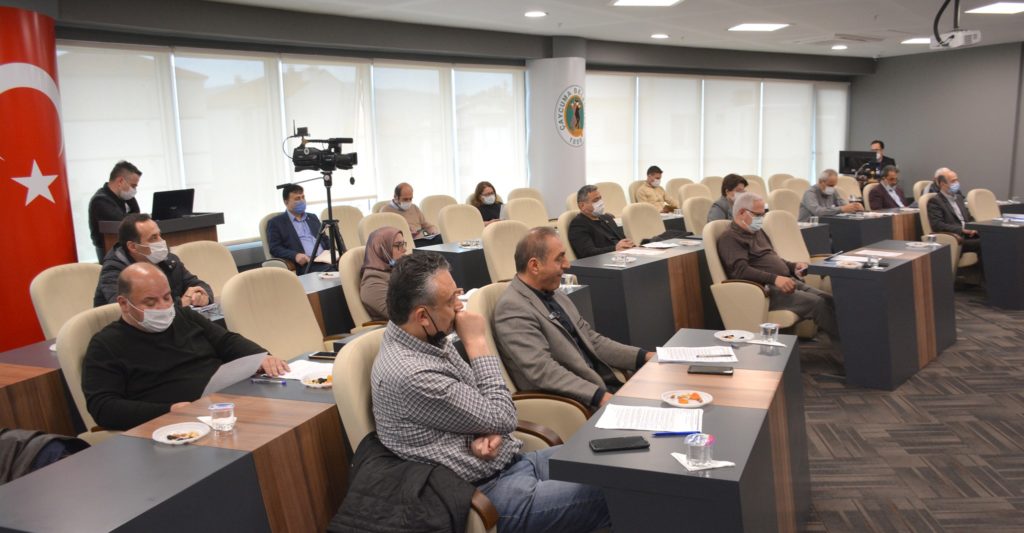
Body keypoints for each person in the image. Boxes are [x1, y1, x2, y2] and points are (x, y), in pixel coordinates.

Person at [371, 252, 611, 533]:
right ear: (422, 316)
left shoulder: (425, 337)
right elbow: (503, 416)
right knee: (621, 488)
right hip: (486, 493)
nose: (459, 307)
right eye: (451, 301)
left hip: (509, 461)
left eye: (457, 294)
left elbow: (482, 404)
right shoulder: (412, 373)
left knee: (613, 462)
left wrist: (488, 429)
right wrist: (477, 342)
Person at [83, 263, 289, 431]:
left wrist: (262, 357)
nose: (163, 307)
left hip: (222, 406)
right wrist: (168, 410)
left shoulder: (184, 317)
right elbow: (103, 407)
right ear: (124, 304)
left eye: (167, 297)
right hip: (173, 426)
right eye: (150, 302)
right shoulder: (105, 345)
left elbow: (227, 341)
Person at [494, 227, 654, 408]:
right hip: (581, 403)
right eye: (559, 258)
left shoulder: (556, 294)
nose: (567, 264)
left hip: (604, 388)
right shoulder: (512, 308)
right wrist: (601, 397)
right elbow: (543, 371)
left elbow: (592, 341)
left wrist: (644, 356)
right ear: (534, 266)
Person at [718, 193, 839, 339]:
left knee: (828, 299)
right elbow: (740, 271)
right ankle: (847, 348)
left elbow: (772, 258)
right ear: (742, 212)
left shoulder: (757, 231)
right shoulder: (730, 238)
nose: (762, 218)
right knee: (818, 303)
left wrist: (793, 266)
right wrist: (775, 279)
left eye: (763, 214)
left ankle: (849, 343)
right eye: (758, 215)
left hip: (786, 281)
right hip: (765, 291)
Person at [93, 213, 212, 308]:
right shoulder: (113, 270)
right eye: (153, 238)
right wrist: (180, 303)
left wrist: (201, 295)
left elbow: (199, 284)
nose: (162, 241)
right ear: (133, 247)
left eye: (160, 235)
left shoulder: (169, 260)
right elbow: (128, 309)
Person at [266, 184, 334, 273]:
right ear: (286, 202)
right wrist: (295, 255)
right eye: (297, 198)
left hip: (326, 259)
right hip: (307, 265)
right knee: (339, 273)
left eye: (303, 197)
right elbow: (275, 248)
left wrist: (334, 252)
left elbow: (324, 239)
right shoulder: (276, 223)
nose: (302, 201)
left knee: (349, 265)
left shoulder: (312, 217)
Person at [88, 161, 142, 261]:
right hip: (111, 254)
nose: (134, 190)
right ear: (120, 181)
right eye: (133, 186)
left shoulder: (124, 196)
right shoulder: (100, 200)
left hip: (128, 249)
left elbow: (137, 215)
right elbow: (126, 225)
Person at [568, 185, 635, 258]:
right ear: (582, 206)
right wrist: (615, 248)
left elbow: (622, 239)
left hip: (625, 257)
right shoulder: (578, 225)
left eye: (600, 198)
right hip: (604, 261)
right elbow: (588, 253)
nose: (600, 203)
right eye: (595, 200)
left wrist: (628, 244)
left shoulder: (607, 217)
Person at [927, 170, 981, 254]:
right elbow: (937, 225)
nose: (957, 183)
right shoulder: (935, 201)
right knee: (984, 243)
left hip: (969, 235)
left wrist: (974, 228)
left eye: (957, 180)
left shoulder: (959, 198)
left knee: (993, 238)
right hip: (955, 238)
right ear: (942, 184)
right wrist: (962, 230)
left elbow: (969, 217)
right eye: (953, 181)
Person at [359, 226, 405, 321]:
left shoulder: (396, 270)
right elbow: (400, 316)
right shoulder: (373, 282)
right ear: (381, 249)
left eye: (404, 244)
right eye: (398, 245)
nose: (404, 249)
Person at [799, 169, 863, 221]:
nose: (832, 188)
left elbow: (843, 205)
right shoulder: (810, 193)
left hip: (825, 223)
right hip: (808, 226)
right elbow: (818, 211)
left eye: (834, 185)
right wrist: (841, 209)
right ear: (820, 182)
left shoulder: (833, 191)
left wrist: (854, 207)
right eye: (830, 185)